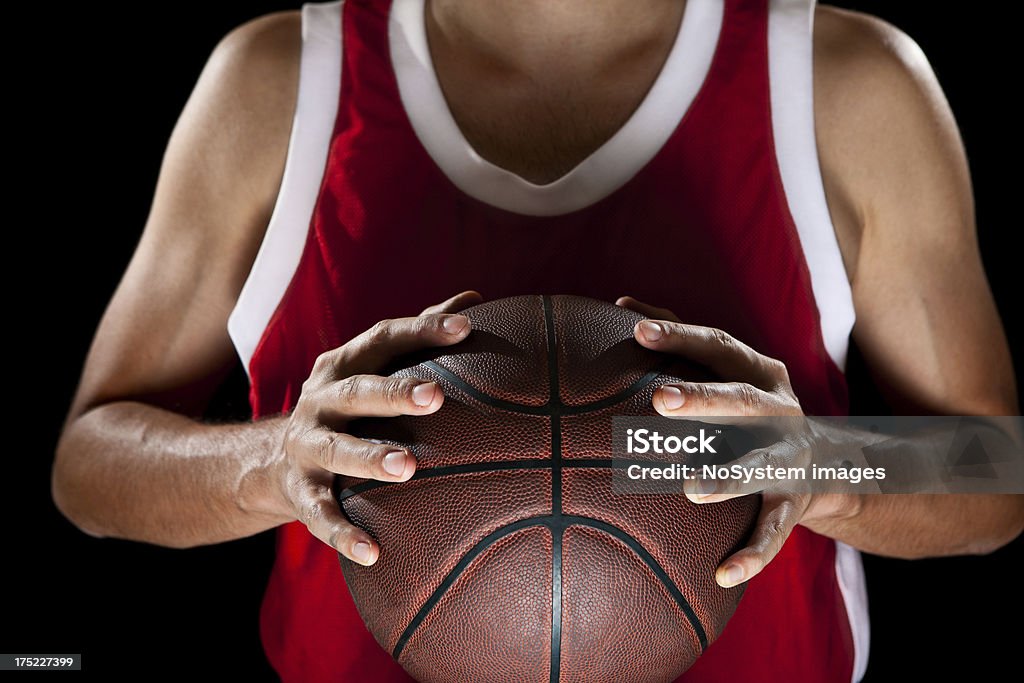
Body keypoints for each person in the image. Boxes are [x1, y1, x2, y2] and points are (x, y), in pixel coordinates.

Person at [53, 0, 1022, 681]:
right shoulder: (278, 84)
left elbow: (992, 474)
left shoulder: (847, 83)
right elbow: (89, 460)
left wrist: (824, 463)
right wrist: (273, 459)